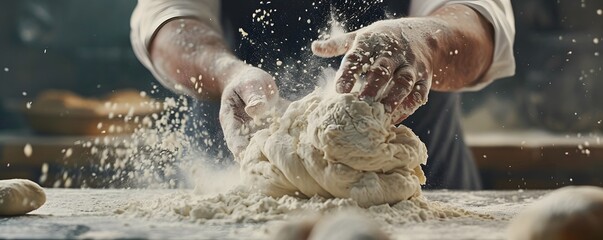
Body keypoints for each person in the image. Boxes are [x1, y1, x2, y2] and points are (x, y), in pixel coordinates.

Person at [130, 0, 515, 190]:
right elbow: (167, 20)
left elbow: (481, 24)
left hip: (424, 197)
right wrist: (226, 71)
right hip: (235, 187)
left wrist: (423, 42)